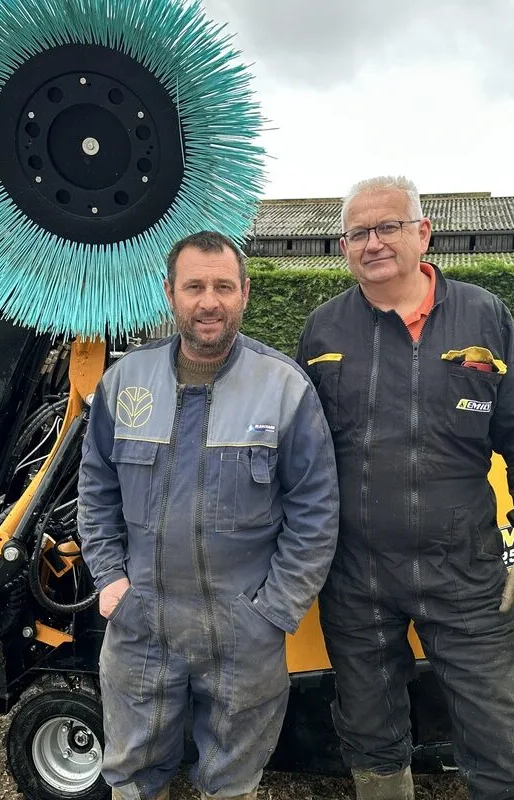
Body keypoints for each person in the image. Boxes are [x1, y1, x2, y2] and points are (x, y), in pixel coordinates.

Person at [295, 176, 514, 800]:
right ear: (344, 247)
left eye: (387, 227)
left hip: (464, 572)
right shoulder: (324, 332)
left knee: (504, 733)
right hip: (355, 575)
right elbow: (299, 456)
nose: (373, 243)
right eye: (359, 232)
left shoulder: (482, 316)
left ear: (422, 233)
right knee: (369, 731)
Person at [78, 230, 340, 800]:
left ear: (245, 293)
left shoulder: (284, 388)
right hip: (141, 621)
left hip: (244, 629)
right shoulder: (125, 381)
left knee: (231, 783)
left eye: (224, 286)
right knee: (131, 778)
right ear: (170, 292)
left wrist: (275, 609)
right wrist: (110, 578)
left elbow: (315, 511)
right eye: (195, 286)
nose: (209, 301)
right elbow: (95, 488)